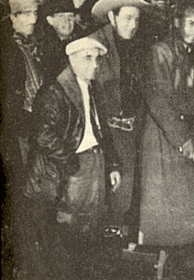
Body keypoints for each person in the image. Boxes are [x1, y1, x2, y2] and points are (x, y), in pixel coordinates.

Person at [23, 34, 121, 279]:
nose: (95, 64)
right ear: (72, 60)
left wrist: (112, 165)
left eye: (97, 59)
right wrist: (70, 162)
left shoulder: (93, 88)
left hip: (91, 166)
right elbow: (42, 135)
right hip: (67, 171)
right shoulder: (55, 91)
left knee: (89, 232)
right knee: (66, 235)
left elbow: (102, 131)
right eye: (88, 58)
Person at [138, 0, 194, 246]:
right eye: (190, 24)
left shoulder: (191, 53)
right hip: (164, 138)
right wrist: (182, 139)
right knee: (165, 211)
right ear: (176, 23)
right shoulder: (160, 52)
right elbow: (158, 100)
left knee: (192, 202)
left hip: (185, 137)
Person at [90, 0, 149, 237]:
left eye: (136, 19)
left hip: (133, 133)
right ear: (112, 17)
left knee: (129, 203)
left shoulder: (139, 46)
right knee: (110, 201)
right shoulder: (95, 46)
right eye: (127, 18)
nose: (133, 25)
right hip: (107, 135)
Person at [1, 0, 45, 187]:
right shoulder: (7, 48)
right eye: (27, 14)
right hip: (17, 130)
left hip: (34, 127)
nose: (33, 20)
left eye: (35, 13)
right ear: (12, 17)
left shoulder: (34, 45)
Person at [42, 0, 78, 81]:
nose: (67, 21)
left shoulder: (80, 42)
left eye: (70, 16)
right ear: (50, 21)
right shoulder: (43, 48)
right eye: (61, 16)